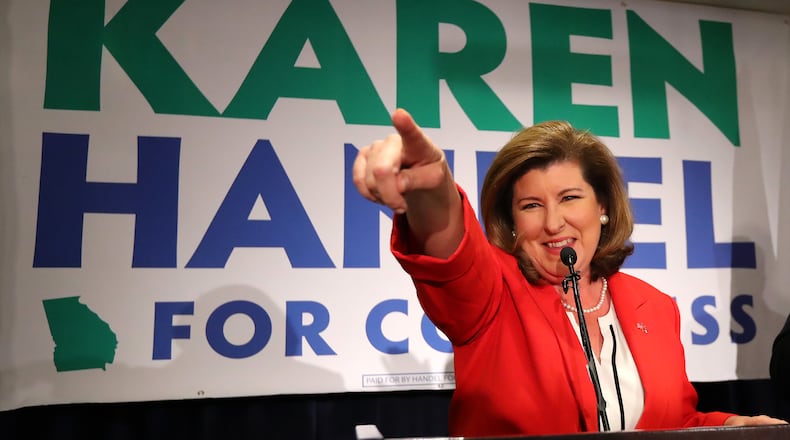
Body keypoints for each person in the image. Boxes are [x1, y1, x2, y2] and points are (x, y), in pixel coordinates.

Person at [352, 109, 787, 437]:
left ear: (602, 207)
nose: (554, 222)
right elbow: (449, 248)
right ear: (512, 221)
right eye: (531, 205)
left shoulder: (655, 307)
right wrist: (431, 190)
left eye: (570, 197)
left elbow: (671, 419)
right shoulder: (492, 294)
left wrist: (731, 423)